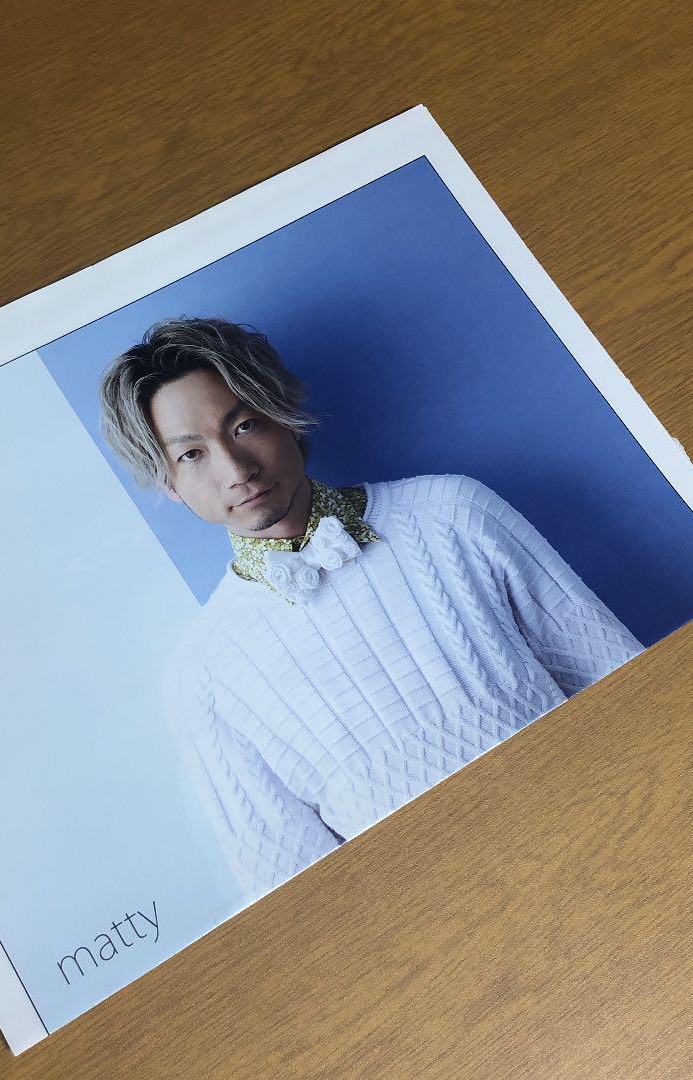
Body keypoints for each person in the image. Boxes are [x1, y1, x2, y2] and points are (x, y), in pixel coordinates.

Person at [98, 316, 643, 900]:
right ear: (170, 484)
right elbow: (302, 900)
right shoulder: (202, 676)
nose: (236, 469)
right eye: (191, 454)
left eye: (245, 424)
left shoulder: (453, 513)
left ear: (283, 413)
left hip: (620, 832)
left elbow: (628, 684)